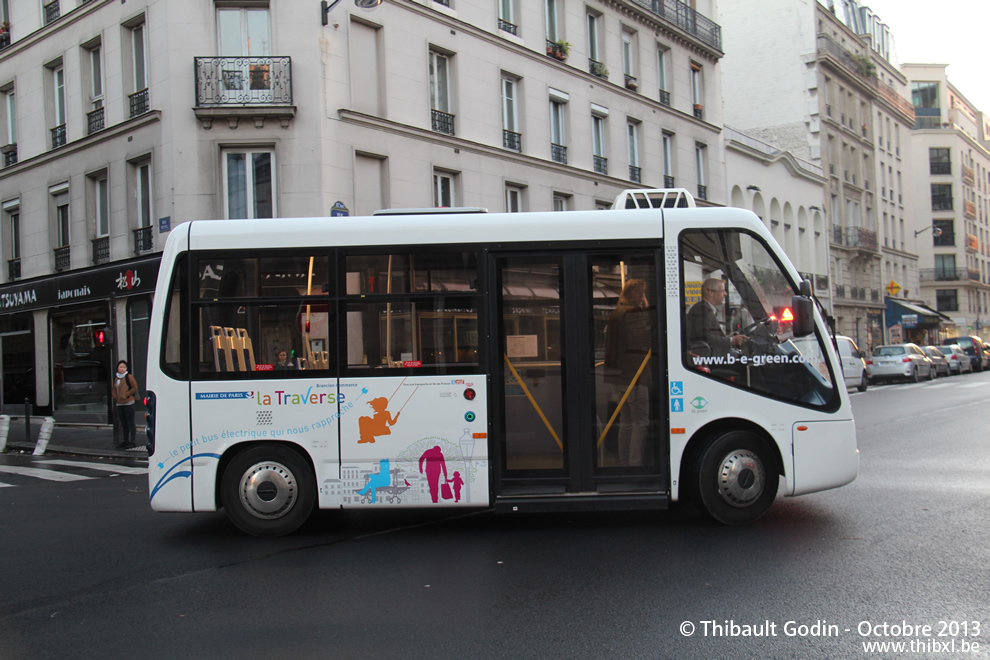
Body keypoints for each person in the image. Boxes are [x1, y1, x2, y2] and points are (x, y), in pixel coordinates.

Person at [604, 279, 653, 467]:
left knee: (626, 420)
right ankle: (635, 463)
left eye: (643, 292)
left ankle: (624, 461)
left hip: (618, 376)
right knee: (640, 422)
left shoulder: (617, 313)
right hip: (635, 375)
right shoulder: (633, 313)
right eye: (638, 292)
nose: (641, 296)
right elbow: (642, 342)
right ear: (630, 294)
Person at [686, 277, 748, 356]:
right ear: (711, 292)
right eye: (722, 291)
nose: (725, 294)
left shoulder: (708, 308)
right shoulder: (702, 309)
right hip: (711, 358)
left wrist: (729, 337)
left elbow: (710, 335)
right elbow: (704, 337)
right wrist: (731, 341)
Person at [112, 360, 140, 450]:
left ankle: (132, 441)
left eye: (124, 367)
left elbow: (135, 387)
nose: (122, 369)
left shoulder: (129, 377)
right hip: (119, 403)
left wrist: (127, 394)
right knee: (123, 423)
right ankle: (125, 440)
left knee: (130, 422)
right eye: (120, 367)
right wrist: (115, 396)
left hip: (129, 403)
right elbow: (114, 389)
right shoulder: (116, 378)